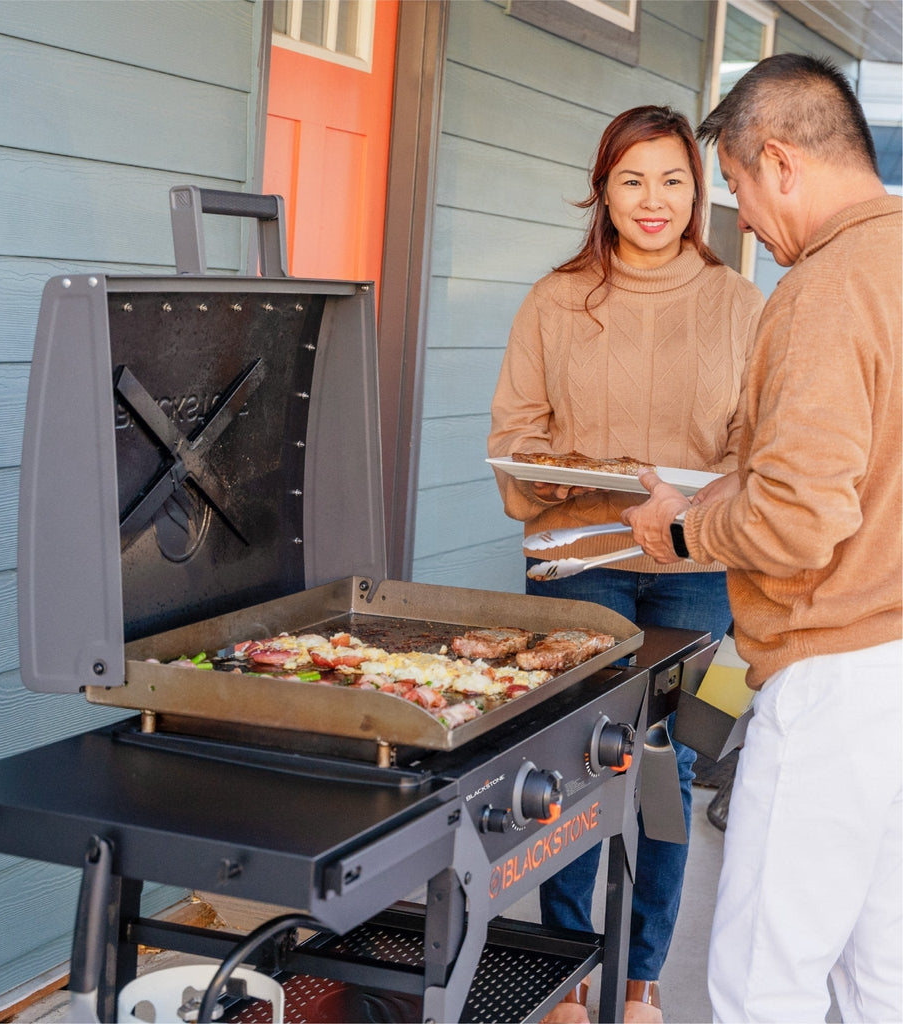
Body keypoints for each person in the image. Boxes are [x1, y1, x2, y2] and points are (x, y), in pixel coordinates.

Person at [622, 55, 902, 1023]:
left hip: (835, 679)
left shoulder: (827, 289)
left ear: (779, 161)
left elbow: (799, 519)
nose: (745, 219)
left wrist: (679, 524)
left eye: (735, 187)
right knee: (882, 980)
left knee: (761, 986)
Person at [488, 106, 765, 1023]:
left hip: (705, 574)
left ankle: (641, 979)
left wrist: (692, 504)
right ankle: (570, 975)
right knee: (573, 769)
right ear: (602, 189)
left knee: (675, 768)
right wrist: (587, 486)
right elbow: (516, 437)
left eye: (674, 180)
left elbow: (760, 449)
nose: (655, 201)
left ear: (700, 191)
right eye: (633, 180)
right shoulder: (554, 300)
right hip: (578, 570)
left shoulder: (739, 303)